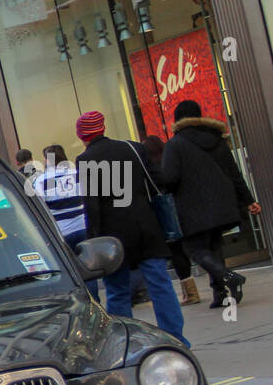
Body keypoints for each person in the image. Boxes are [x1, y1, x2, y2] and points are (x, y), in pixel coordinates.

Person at [74, 110, 189, 346]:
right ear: (103, 128)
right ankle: (176, 338)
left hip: (112, 232)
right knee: (160, 284)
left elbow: (92, 204)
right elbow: (159, 181)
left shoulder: (86, 160)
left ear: (82, 136)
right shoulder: (134, 148)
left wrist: (93, 240)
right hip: (146, 224)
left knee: (117, 291)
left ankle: (125, 344)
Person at [161, 99, 262, 309]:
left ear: (177, 120)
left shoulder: (175, 144)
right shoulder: (217, 139)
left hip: (192, 207)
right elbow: (234, 173)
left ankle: (228, 277)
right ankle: (220, 294)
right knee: (215, 246)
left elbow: (170, 178)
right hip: (222, 203)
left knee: (193, 247)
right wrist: (249, 200)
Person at [33, 144, 97, 298]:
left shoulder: (41, 180)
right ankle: (95, 300)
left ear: (48, 160)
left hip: (62, 231)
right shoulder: (76, 173)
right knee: (88, 268)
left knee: (70, 272)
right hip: (83, 226)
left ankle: (81, 302)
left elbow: (40, 207)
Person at [143, 135, 199, 305]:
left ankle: (190, 292)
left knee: (176, 253)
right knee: (190, 249)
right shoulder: (170, 162)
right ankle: (201, 288)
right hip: (184, 210)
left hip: (166, 214)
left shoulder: (150, 169)